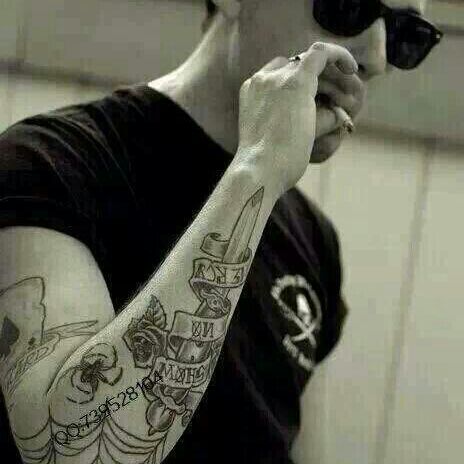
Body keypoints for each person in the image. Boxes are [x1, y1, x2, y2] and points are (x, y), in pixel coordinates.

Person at [0, 0, 442, 462]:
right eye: (349, 6)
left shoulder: (313, 238)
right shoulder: (48, 165)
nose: (377, 58)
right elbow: (71, 451)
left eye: (405, 34)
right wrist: (258, 170)